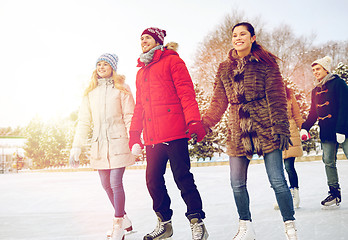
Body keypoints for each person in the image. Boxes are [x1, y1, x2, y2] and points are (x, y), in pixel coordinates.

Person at [201, 22, 298, 240]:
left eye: (243, 34)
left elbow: (277, 97)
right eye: (234, 35)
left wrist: (281, 127)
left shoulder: (266, 63)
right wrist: (205, 123)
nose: (238, 37)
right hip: (238, 131)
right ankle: (246, 226)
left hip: (266, 127)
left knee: (278, 182)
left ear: (253, 37)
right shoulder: (224, 68)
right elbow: (218, 101)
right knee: (236, 183)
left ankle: (289, 225)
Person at [128, 27, 209, 240]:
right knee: (152, 180)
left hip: (174, 132)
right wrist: (135, 134)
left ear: (158, 41)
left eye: (147, 38)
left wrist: (193, 120)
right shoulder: (141, 72)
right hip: (153, 137)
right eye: (141, 38)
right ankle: (164, 223)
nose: (143, 41)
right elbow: (139, 107)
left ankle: (196, 222)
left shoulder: (173, 61)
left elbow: (186, 92)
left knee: (182, 178)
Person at [69, 53, 135, 240]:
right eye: (99, 64)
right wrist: (77, 146)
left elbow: (130, 116)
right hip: (99, 144)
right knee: (105, 184)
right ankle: (125, 219)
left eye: (105, 64)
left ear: (112, 67)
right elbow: (83, 121)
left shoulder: (122, 88)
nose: (101, 67)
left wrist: (134, 140)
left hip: (119, 141)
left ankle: (118, 226)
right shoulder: (90, 92)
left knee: (115, 182)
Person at [301, 56, 348, 208]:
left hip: (343, 129)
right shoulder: (315, 90)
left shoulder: (338, 83)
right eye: (313, 70)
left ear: (326, 69)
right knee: (328, 161)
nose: (315, 72)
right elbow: (313, 113)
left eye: (318, 69)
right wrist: (305, 127)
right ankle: (334, 193)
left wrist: (341, 129)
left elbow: (344, 106)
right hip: (327, 132)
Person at [274, 86, 304, 210]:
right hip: (275, 134)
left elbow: (296, 114)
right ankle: (283, 197)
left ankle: (294, 195)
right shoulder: (267, 94)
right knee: (277, 169)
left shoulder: (288, 94)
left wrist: (303, 129)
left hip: (290, 133)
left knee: (288, 166)